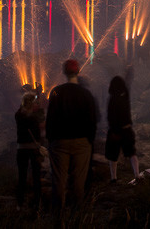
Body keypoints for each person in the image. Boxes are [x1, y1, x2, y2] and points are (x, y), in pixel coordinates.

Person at [45, 59, 97, 221]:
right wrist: (89, 140)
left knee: (59, 180)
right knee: (78, 181)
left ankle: (58, 216)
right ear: (78, 72)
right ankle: (77, 216)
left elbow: (50, 119)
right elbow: (92, 120)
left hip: (60, 143)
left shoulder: (56, 92)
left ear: (64, 72)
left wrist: (50, 140)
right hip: (81, 142)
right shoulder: (86, 94)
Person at [105, 76, 140, 183]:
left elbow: (111, 117)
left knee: (113, 155)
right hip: (127, 130)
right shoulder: (125, 97)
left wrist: (114, 131)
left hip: (116, 131)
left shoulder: (112, 99)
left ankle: (113, 178)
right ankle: (137, 176)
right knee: (131, 153)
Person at [15, 92, 45, 213]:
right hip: (33, 148)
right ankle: (37, 203)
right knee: (36, 176)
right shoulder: (35, 116)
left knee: (22, 176)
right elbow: (42, 126)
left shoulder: (18, 114)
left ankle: (20, 203)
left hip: (21, 148)